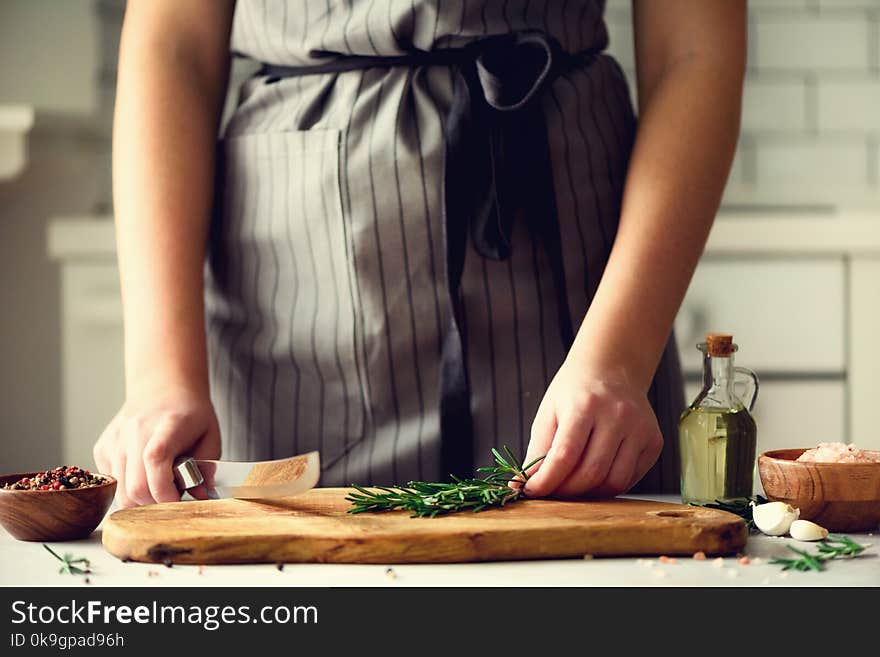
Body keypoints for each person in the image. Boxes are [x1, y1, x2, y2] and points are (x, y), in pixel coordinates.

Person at [94, 0, 746, 508]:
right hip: (292, 285)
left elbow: (694, 49)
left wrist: (619, 358)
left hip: (579, 284)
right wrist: (161, 374)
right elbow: (172, 43)